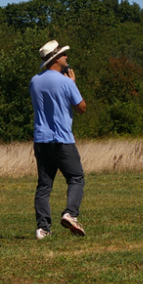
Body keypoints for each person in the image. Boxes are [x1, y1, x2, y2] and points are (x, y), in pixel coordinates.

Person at [29, 40, 87, 240]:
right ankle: (70, 214)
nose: (66, 57)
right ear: (55, 59)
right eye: (63, 55)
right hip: (62, 139)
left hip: (41, 140)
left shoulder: (34, 81)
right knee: (76, 178)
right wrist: (73, 85)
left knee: (44, 186)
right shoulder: (65, 82)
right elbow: (81, 108)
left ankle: (42, 228)